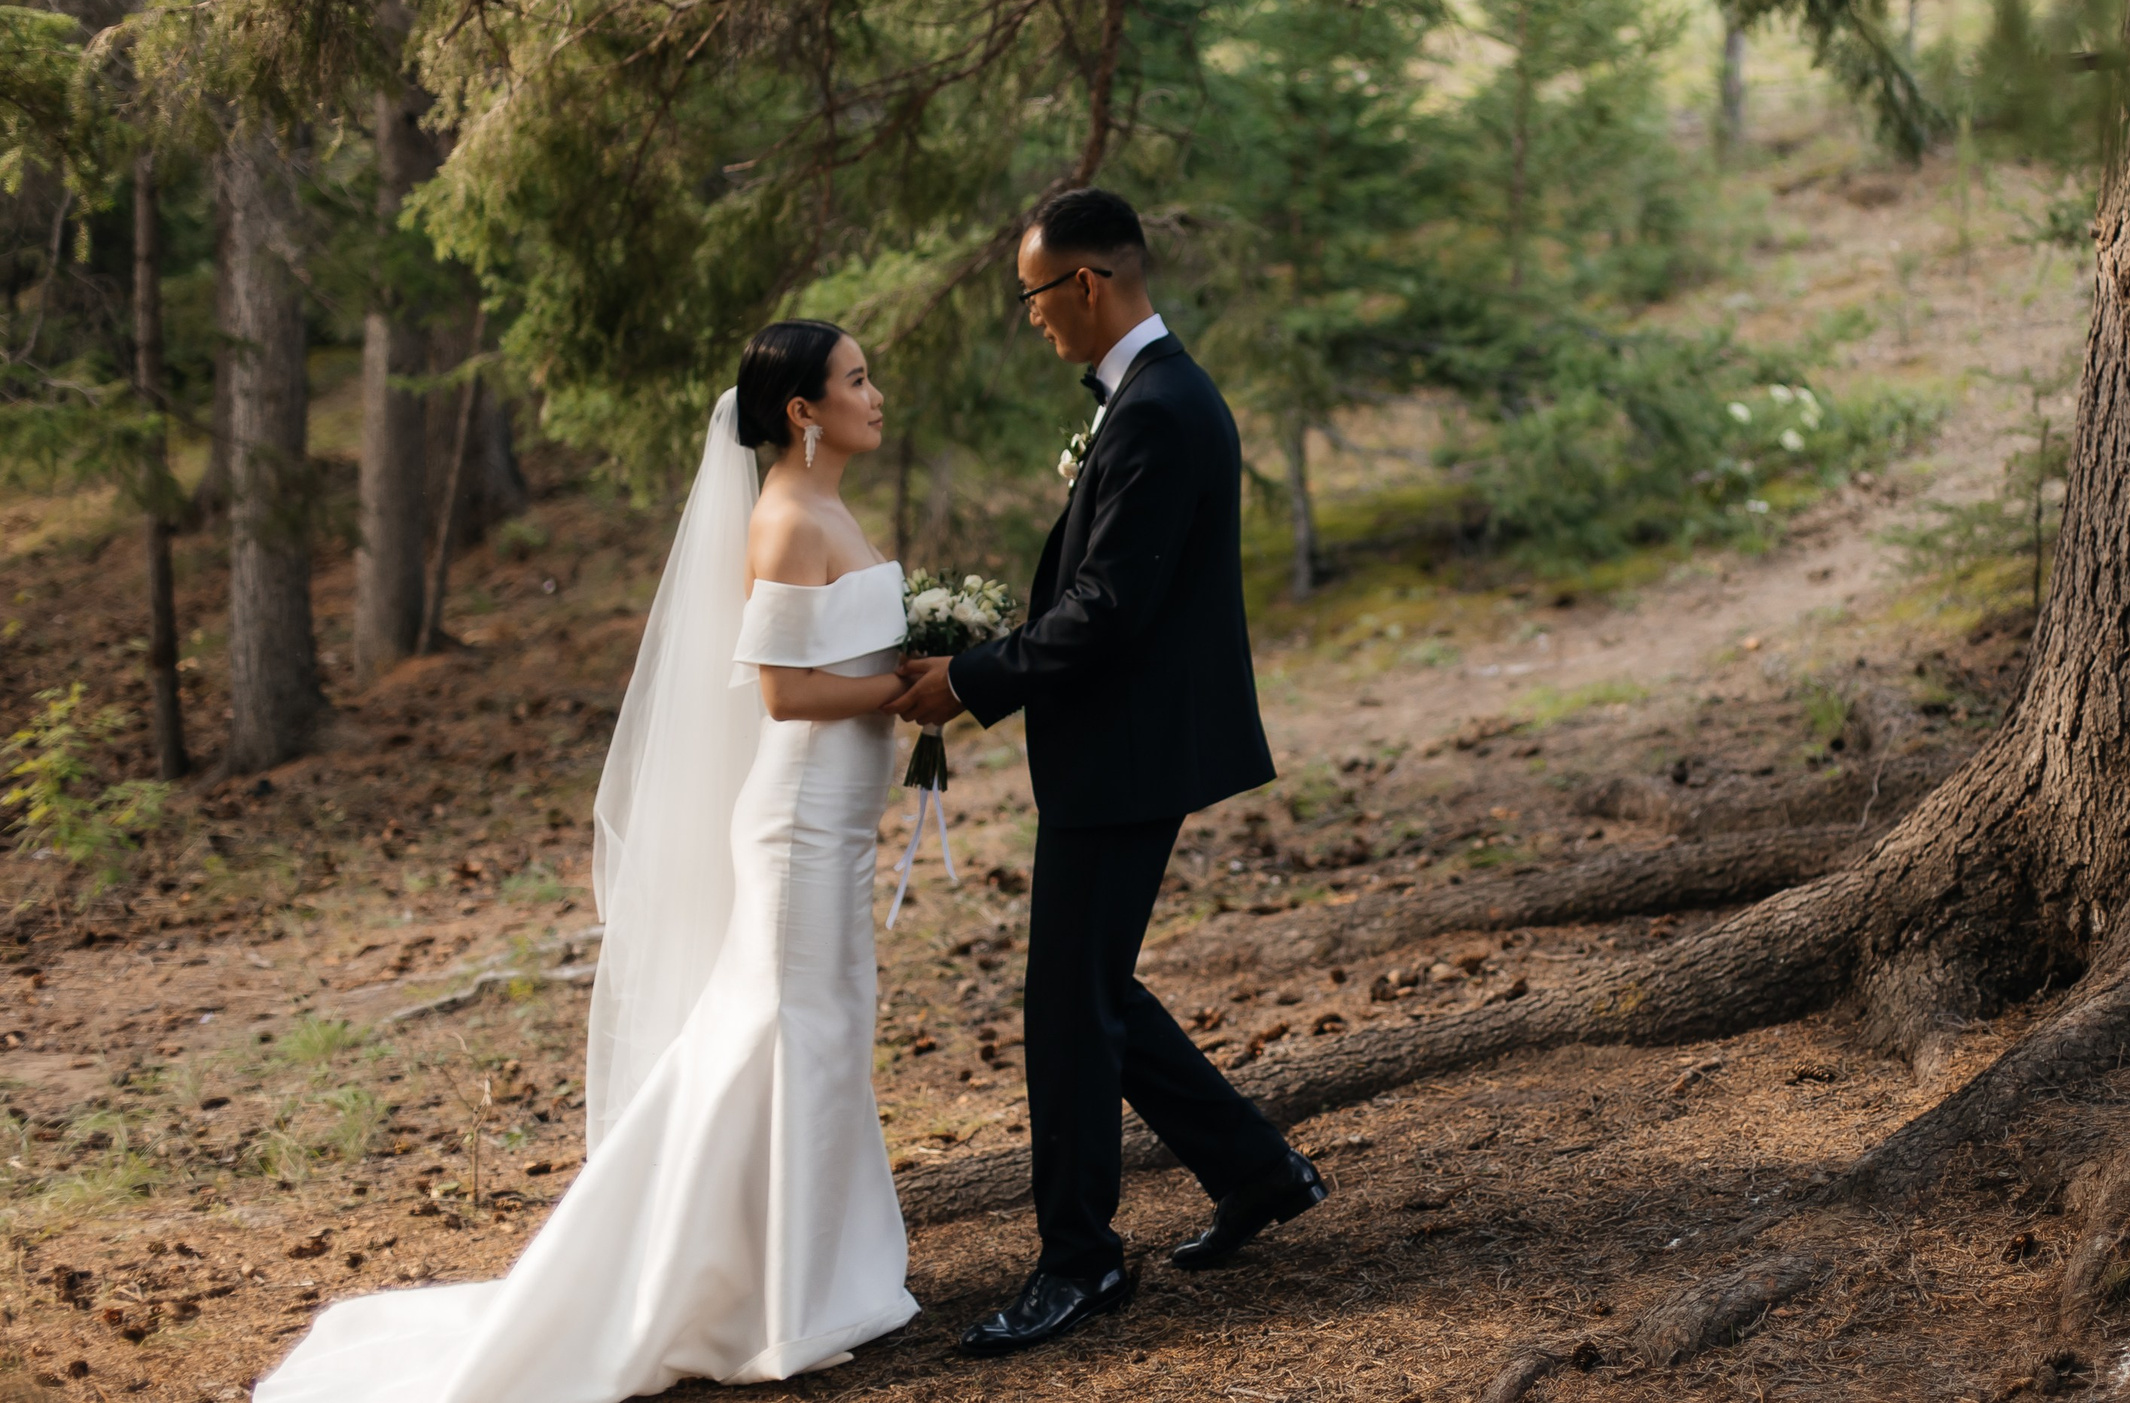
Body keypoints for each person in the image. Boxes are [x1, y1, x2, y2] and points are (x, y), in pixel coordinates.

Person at [254, 322, 917, 1403]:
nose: (875, 393)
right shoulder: (790, 518)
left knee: (826, 1026)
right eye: (856, 379)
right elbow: (784, 692)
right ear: (803, 410)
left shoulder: (834, 508)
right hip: (798, 824)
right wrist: (912, 689)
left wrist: (919, 668)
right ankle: (741, 1289)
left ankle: (806, 1271)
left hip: (838, 820)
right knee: (785, 1028)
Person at [888, 187, 1327, 1357]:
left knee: (1068, 1008)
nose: (1030, 314)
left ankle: (1078, 1261)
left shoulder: (1161, 409)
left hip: (1128, 750)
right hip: (1128, 742)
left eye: (1035, 294)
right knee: (1093, 989)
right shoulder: (1150, 396)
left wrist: (971, 677)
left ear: (1086, 283)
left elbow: (1108, 608)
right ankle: (1254, 1168)